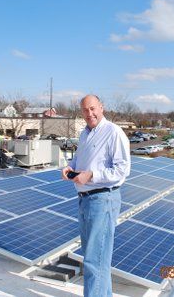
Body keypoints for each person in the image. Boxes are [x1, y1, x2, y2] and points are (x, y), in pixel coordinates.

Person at [61, 95, 130, 297]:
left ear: (101, 107)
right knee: (96, 259)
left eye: (93, 109)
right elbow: (80, 159)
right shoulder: (85, 133)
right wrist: (70, 167)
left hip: (102, 200)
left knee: (94, 260)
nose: (89, 113)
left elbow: (122, 170)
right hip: (85, 200)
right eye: (85, 110)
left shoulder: (113, 133)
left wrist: (91, 175)